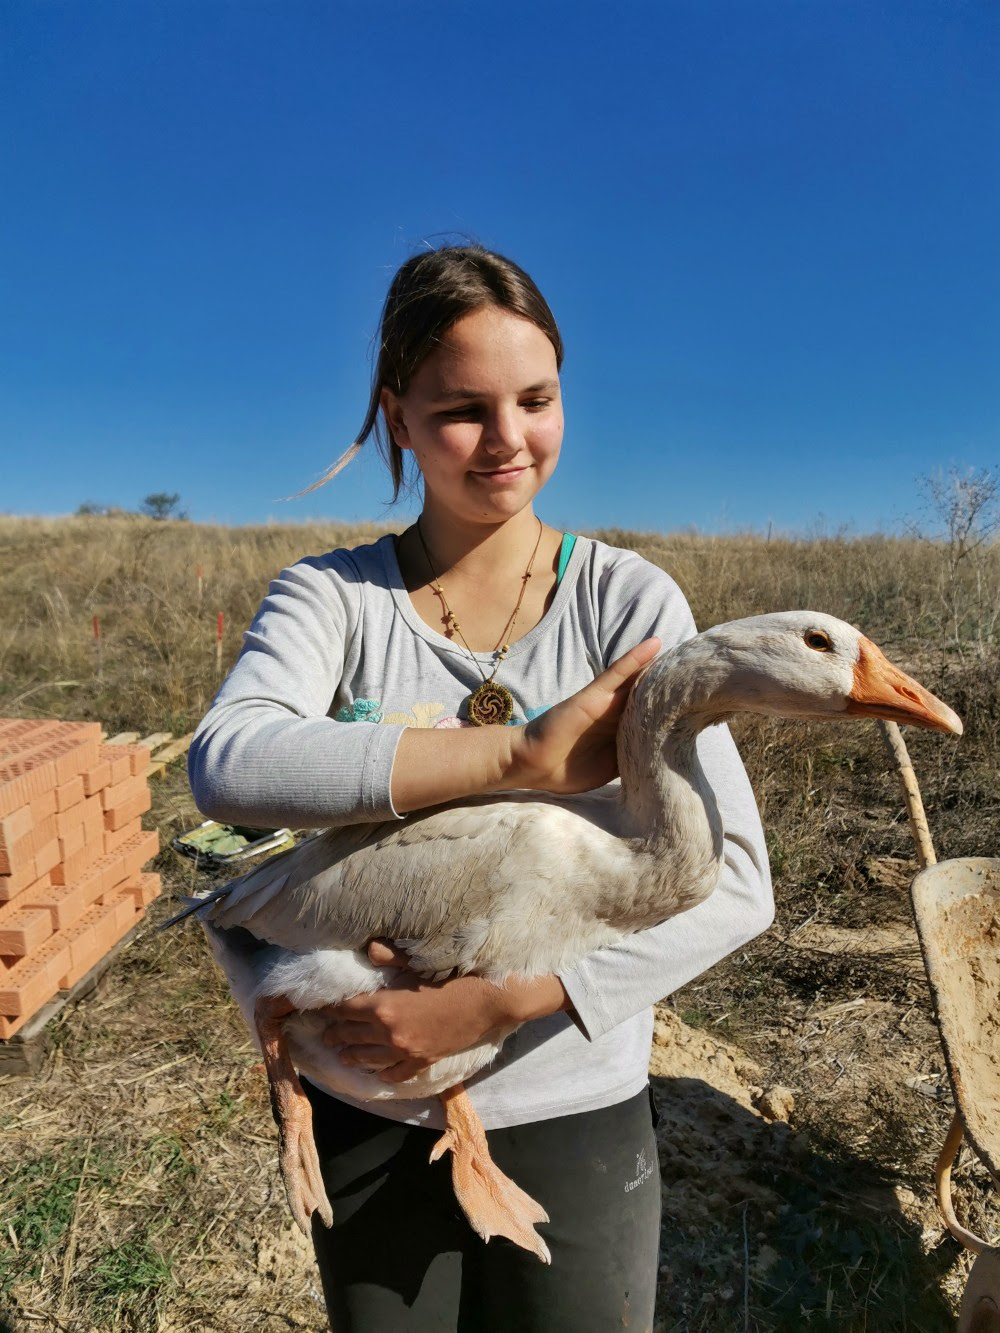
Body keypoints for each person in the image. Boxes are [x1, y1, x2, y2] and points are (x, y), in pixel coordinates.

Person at [188, 244, 773, 1331]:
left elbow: (736, 883)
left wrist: (507, 999)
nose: (507, 439)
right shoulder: (334, 601)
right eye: (461, 408)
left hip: (570, 1099)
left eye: (536, 399)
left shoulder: (627, 604)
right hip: (364, 1104)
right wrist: (521, 758)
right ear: (395, 415)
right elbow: (228, 762)